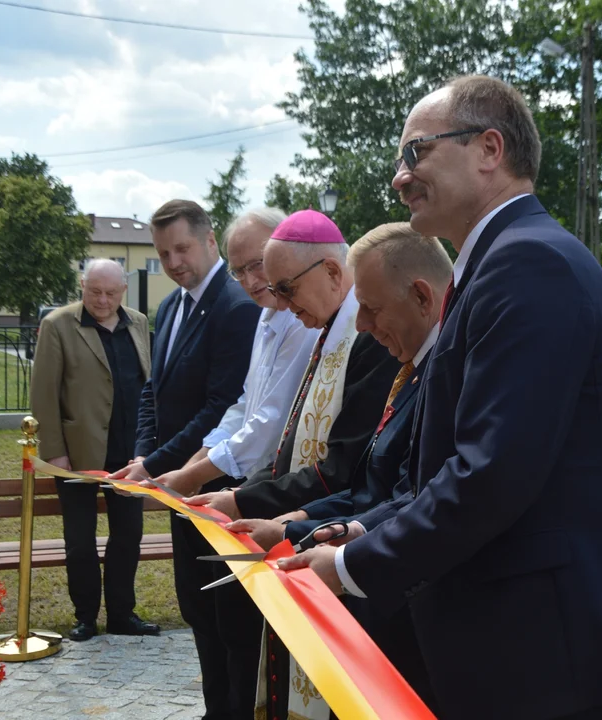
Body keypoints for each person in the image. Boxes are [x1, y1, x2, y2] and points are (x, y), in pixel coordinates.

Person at [279, 75, 602, 720]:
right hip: (537, 640)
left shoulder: (529, 263)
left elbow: (492, 471)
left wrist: (354, 564)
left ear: (488, 149)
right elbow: (456, 465)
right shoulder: (506, 259)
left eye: (415, 153)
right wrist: (358, 531)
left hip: (555, 649)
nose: (399, 177)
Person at [226, 222, 452, 713]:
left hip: (407, 602)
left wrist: (328, 531)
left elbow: (413, 491)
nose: (364, 325)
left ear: (420, 296)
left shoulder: (443, 371)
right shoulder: (414, 363)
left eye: (370, 309)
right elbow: (375, 480)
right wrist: (301, 522)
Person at [186, 210, 402, 720]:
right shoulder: (326, 325)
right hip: (301, 524)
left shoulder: (363, 334)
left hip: (334, 537)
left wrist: (249, 500)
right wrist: (248, 498)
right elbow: (291, 440)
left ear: (331, 272)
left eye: (285, 288)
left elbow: (342, 464)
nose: (278, 303)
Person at [136, 208, 316, 717]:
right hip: (208, 484)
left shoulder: (260, 312)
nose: (253, 280)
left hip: (253, 493)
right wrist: (166, 462)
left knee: (239, 631)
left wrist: (188, 470)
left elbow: (260, 422)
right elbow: (241, 406)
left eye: (259, 265)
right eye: (243, 271)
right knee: (206, 615)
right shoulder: (259, 313)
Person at [110, 199, 259, 720]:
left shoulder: (237, 306)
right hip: (177, 486)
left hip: (216, 484)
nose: (172, 262)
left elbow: (221, 405)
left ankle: (234, 711)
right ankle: (213, 708)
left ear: (210, 241)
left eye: (181, 248)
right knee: (195, 607)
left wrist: (158, 467)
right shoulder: (171, 307)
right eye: (163, 252)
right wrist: (143, 453)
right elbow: (154, 391)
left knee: (228, 617)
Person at [29, 258, 156, 642]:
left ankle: (122, 614)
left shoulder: (138, 323)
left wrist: (147, 448)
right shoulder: (57, 325)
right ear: (82, 285)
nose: (102, 300)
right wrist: (54, 451)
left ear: (124, 291)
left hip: (129, 454)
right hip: (77, 454)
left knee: (128, 536)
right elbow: (43, 393)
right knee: (80, 541)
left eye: (111, 293)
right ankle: (85, 616)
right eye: (95, 291)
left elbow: (148, 387)